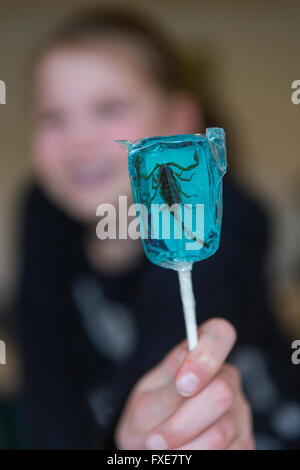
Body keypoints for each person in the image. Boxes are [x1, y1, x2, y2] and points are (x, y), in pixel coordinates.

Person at [16, 8, 299, 450]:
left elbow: (166, 344)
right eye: (53, 117)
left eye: (109, 108)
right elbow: (47, 382)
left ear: (178, 119)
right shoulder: (42, 218)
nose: (77, 139)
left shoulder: (232, 216)